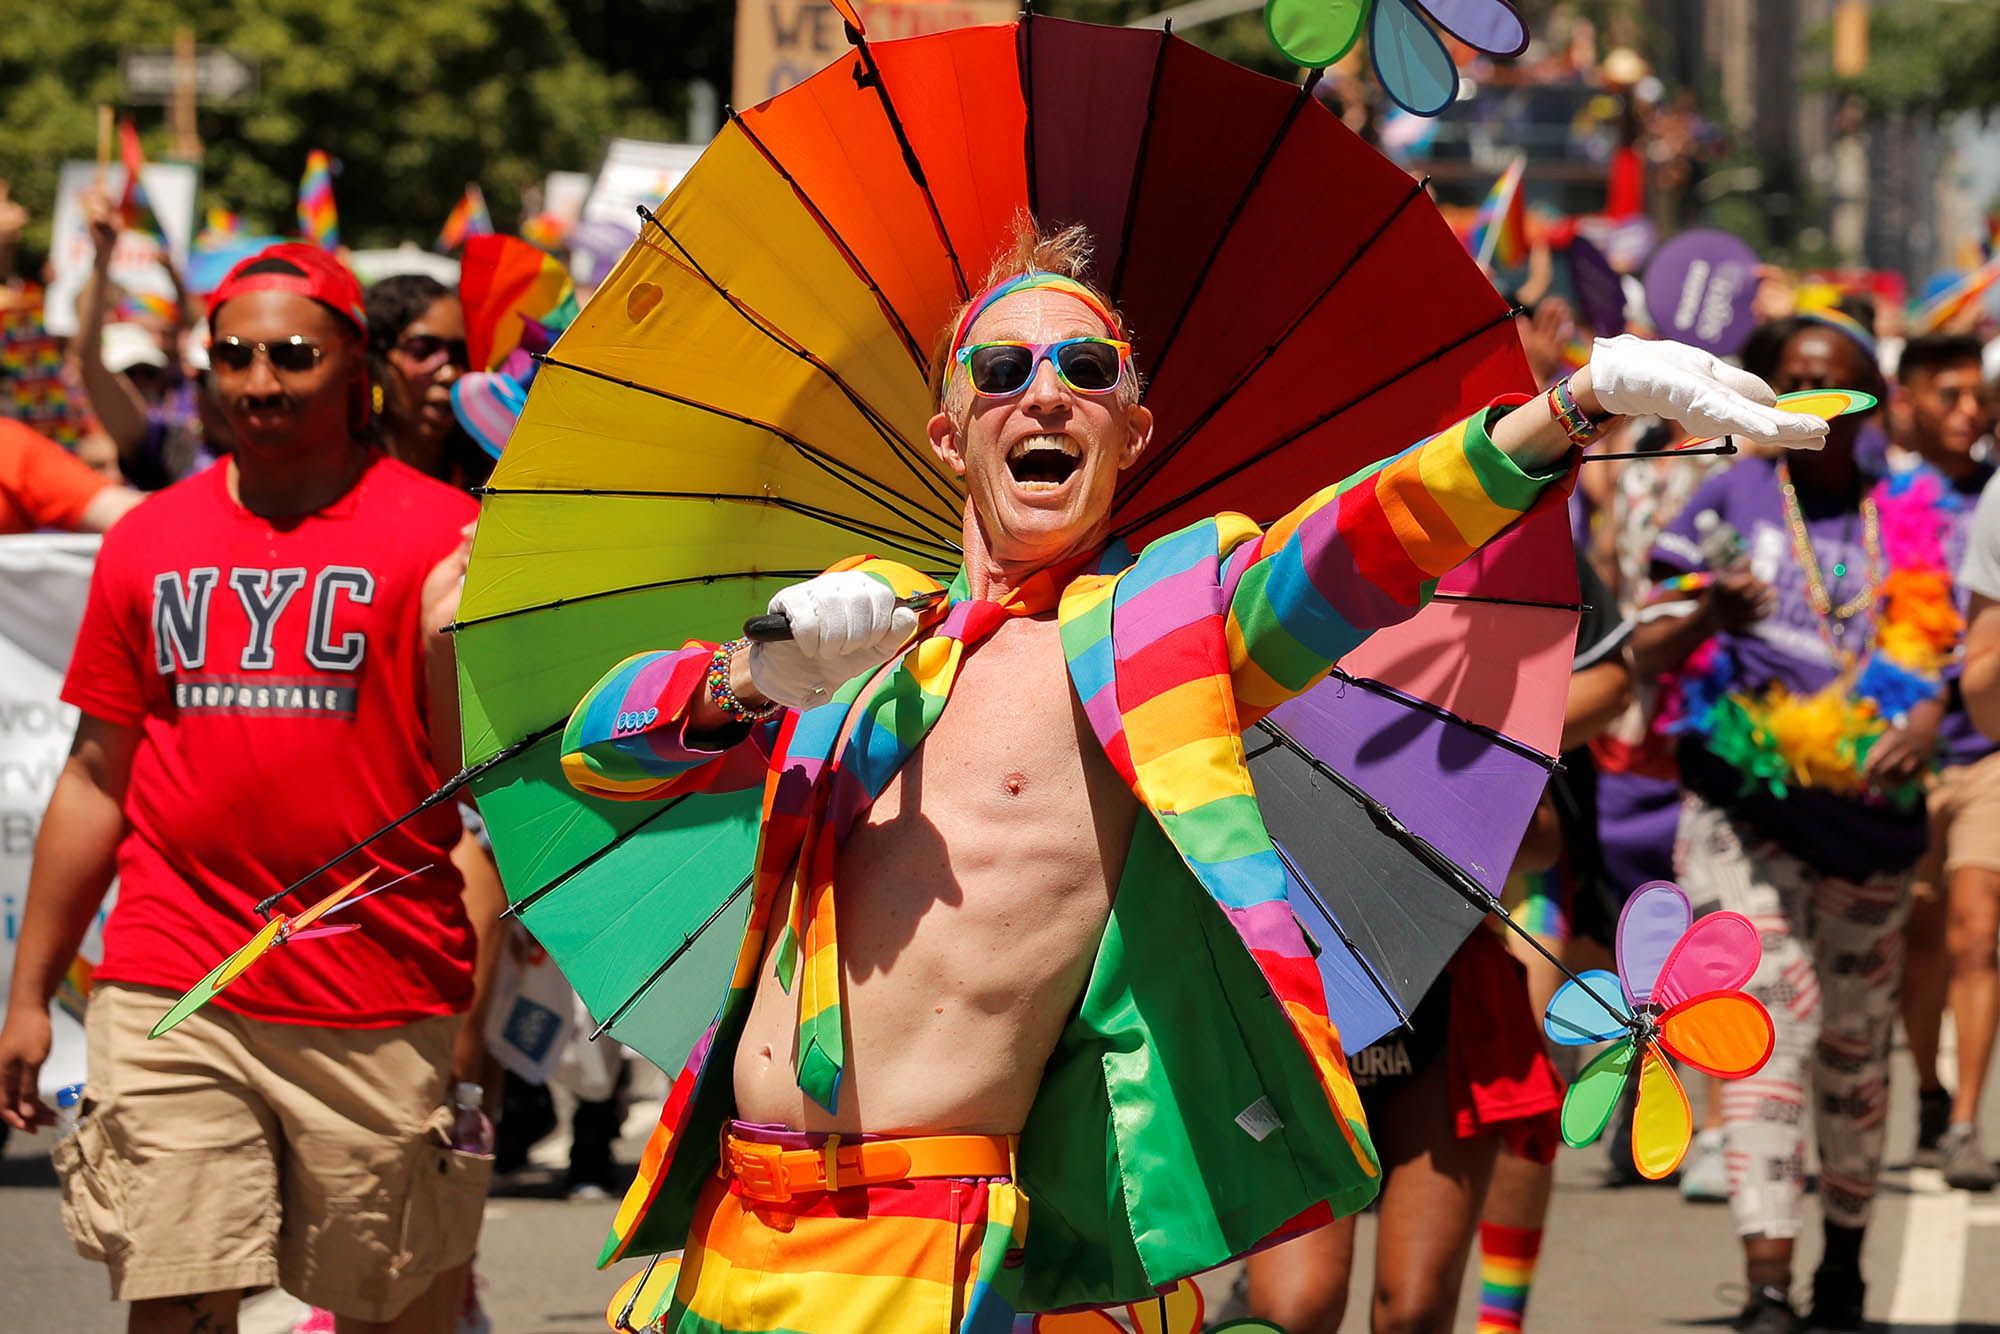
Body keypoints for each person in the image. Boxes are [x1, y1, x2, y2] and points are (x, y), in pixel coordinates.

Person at [556, 219, 1827, 1333]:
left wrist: (1565, 407)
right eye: (1002, 371)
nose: (1042, 396)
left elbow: (1358, 544)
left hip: (945, 1245)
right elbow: (590, 754)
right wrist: (741, 676)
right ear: (951, 435)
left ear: (1131, 426)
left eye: (1084, 369)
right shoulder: (849, 639)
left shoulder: (1159, 629)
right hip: (734, 1229)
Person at [0, 243, 500, 1334]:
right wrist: (32, 991)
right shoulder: (150, 537)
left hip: (375, 989)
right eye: (233, 355)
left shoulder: (443, 539)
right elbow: (96, 775)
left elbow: (473, 789)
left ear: (353, 366)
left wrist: (440, 652)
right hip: (175, 983)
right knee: (175, 1295)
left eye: (291, 355)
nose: (260, 381)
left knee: (395, 1307)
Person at [1636, 315, 1937, 1333]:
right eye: (1794, 382)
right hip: (1743, 804)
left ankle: (1841, 1270)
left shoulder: (1913, 513)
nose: (1815, 399)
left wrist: (1928, 709)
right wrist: (1704, 613)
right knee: (1762, 1030)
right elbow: (1650, 635)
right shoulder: (1724, 495)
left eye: (1839, 387)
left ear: (1873, 405)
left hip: (1868, 822)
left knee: (1853, 1049)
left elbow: (1956, 643)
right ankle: (1765, 1281)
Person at [1888, 333, 2000, 1189]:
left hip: (1988, 749)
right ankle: (1925, 1088)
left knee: (1977, 933)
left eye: (1979, 397)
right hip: (1904, 751)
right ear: (1911, 401)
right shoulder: (1877, 497)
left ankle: (1965, 1120)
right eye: (1951, 396)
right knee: (1920, 939)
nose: (1971, 412)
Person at [365, 274, 489, 489]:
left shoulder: (490, 481)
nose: (450, 373)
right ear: (379, 359)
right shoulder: (336, 475)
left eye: (461, 353)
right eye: (423, 350)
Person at [0, 417, 141, 534]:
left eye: (120, 465)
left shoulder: (11, 445)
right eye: (98, 466)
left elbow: (120, 510)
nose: (114, 474)